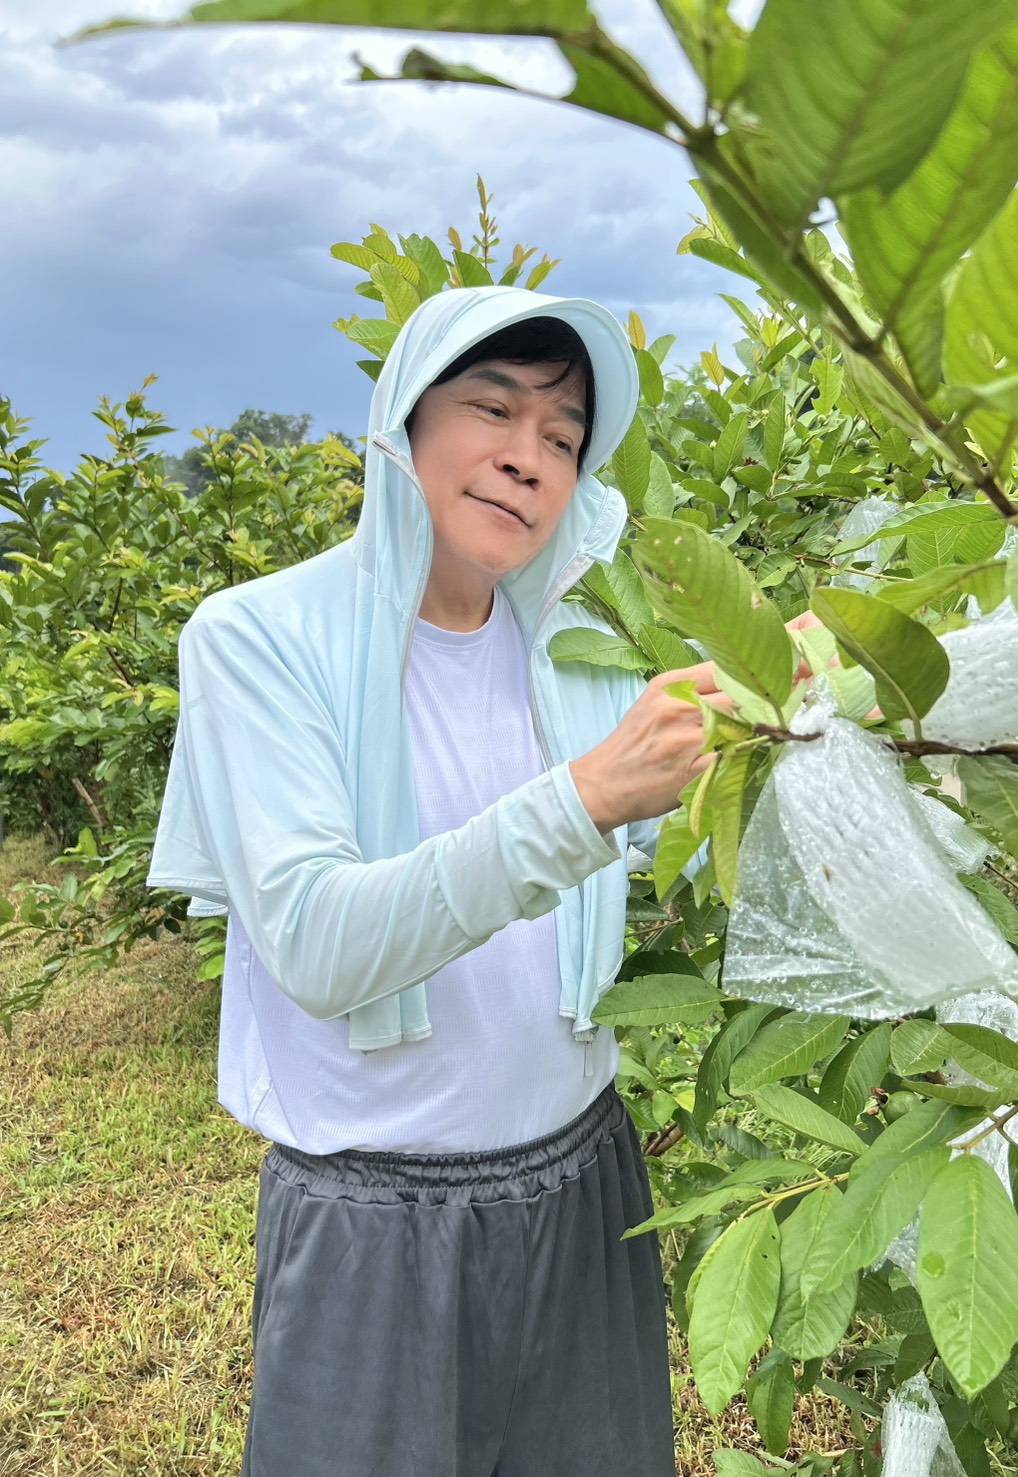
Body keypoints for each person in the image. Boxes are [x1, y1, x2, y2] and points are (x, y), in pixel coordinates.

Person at [145, 285, 752, 1476]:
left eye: (566, 437)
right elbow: (319, 942)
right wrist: (587, 797)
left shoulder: (574, 653)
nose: (529, 459)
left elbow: (628, 878)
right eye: (495, 409)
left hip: (584, 1178)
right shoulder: (258, 637)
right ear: (405, 424)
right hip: (375, 1220)